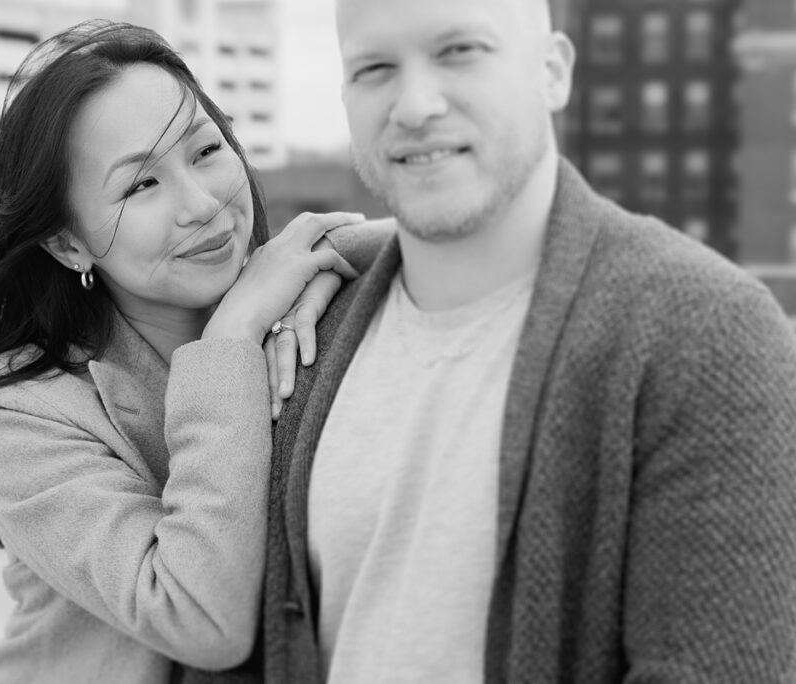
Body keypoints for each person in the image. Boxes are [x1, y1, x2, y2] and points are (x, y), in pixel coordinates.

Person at [221, 0, 796, 682]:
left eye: (459, 51)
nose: (415, 104)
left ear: (552, 72)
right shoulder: (306, 337)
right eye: (374, 68)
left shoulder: (705, 335)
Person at [0, 20, 389, 684]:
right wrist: (231, 337)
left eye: (206, 149)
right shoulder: (17, 408)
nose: (202, 203)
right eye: (140, 186)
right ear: (69, 244)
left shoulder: (289, 292)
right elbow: (197, 615)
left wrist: (329, 264)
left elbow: (437, 242)